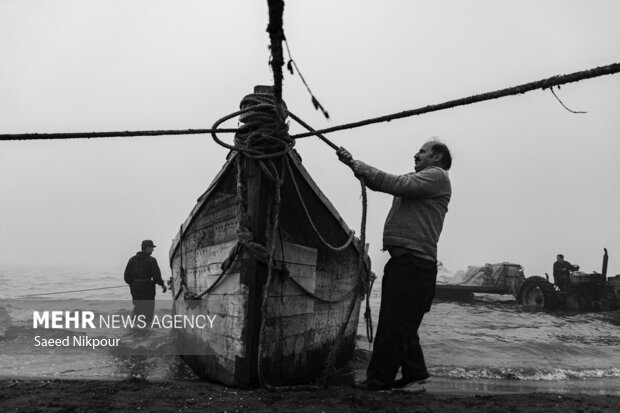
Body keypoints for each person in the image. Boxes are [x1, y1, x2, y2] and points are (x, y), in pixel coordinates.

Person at [337, 139, 452, 393]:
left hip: (413, 265)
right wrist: (352, 165)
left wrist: (359, 165)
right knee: (405, 325)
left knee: (392, 325)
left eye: (422, 151)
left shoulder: (437, 176)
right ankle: (415, 373)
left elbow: (396, 184)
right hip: (410, 264)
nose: (416, 154)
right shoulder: (421, 180)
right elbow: (384, 183)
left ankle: (378, 382)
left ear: (438, 157)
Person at [124, 240, 167, 324]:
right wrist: (162, 285)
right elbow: (157, 276)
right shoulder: (151, 260)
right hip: (148, 289)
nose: (152, 250)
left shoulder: (131, 260)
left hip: (135, 289)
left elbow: (126, 277)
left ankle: (133, 327)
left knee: (137, 308)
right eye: (151, 248)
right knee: (148, 310)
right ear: (147, 247)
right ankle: (145, 331)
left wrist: (133, 285)